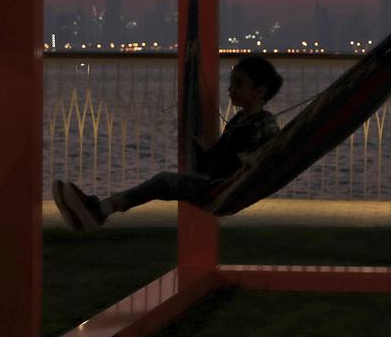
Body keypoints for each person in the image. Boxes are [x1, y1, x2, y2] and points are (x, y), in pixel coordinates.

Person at [52, 55, 283, 231]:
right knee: (161, 183)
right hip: (213, 181)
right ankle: (93, 210)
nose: (230, 89)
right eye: (231, 82)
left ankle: (98, 211)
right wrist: (202, 146)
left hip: (220, 188)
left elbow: (270, 153)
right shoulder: (240, 119)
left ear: (258, 92)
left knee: (162, 181)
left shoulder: (265, 122)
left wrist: (249, 159)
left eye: (238, 84)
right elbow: (223, 155)